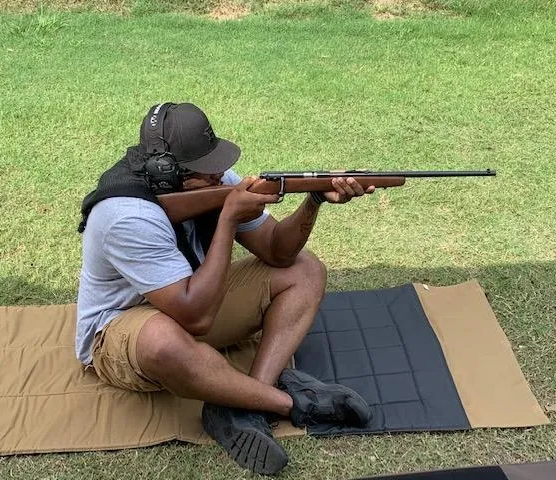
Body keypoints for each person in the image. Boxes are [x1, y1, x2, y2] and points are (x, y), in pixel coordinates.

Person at [76, 102, 375, 475]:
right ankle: (283, 403)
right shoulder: (126, 215)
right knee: (164, 340)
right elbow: (196, 317)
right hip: (119, 331)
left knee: (305, 270)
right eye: (207, 170)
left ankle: (245, 404)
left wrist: (313, 199)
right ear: (167, 172)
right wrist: (229, 219)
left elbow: (278, 252)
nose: (222, 175)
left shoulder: (213, 179)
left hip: (189, 299)